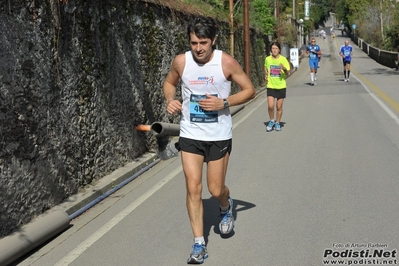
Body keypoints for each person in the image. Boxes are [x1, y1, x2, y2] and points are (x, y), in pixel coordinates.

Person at [162, 16, 256, 264]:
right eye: (194, 42)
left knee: (215, 189)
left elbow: (250, 90)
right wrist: (170, 99)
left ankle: (226, 206)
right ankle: (198, 244)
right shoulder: (181, 61)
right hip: (190, 134)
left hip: (219, 135)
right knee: (193, 188)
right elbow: (169, 82)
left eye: (203, 42)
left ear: (213, 40)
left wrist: (223, 102)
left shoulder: (225, 62)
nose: (199, 48)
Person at [264, 41, 290, 132]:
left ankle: (278, 122)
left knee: (279, 106)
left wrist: (284, 68)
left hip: (281, 86)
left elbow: (288, 72)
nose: (274, 50)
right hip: (271, 85)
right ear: (271, 49)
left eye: (276, 48)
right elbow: (266, 68)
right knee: (270, 106)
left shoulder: (283, 59)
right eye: (273, 48)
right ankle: (272, 121)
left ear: (279, 50)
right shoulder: (267, 59)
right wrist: (266, 75)